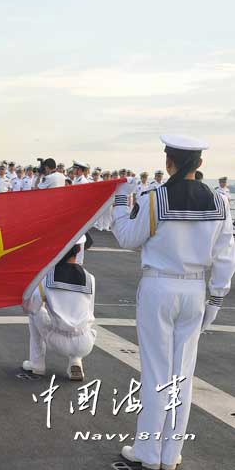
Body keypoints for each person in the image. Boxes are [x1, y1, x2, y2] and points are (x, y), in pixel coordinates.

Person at [112, 135, 234, 470]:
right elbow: (225, 258)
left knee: (156, 372)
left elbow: (127, 238)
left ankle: (149, 452)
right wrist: (217, 298)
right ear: (200, 165)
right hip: (196, 291)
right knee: (182, 374)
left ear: (170, 163)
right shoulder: (221, 203)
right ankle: (170, 453)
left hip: (158, 287)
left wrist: (121, 203)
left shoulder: (156, 198)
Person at [22, 235, 96, 382]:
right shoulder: (90, 279)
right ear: (80, 249)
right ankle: (76, 362)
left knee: (34, 313)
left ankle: (37, 364)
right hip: (85, 343)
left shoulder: (45, 278)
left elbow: (31, 308)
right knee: (83, 317)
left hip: (58, 341)